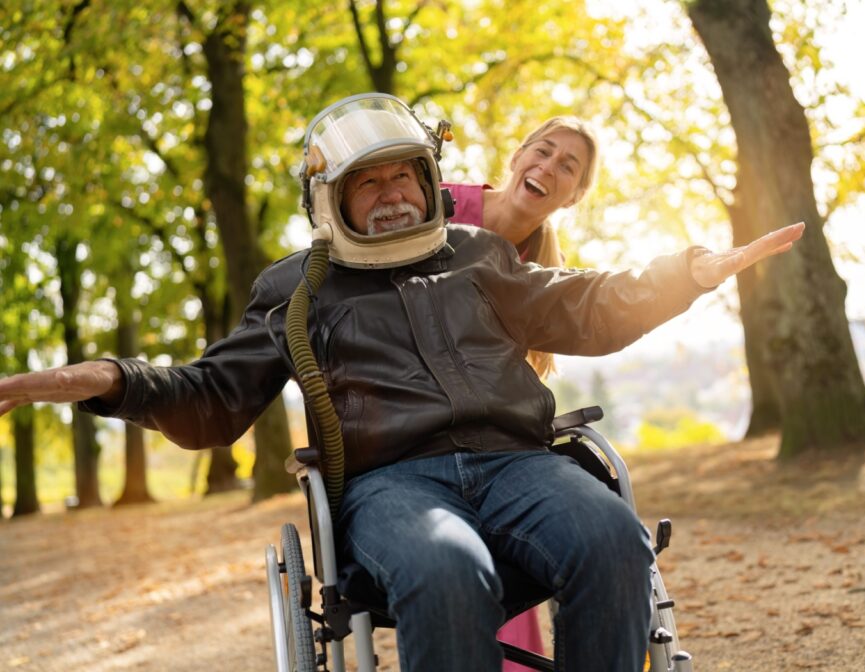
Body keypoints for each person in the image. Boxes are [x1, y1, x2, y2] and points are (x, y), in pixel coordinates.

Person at [0, 93, 804, 672]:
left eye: (404, 179)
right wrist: (106, 378)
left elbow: (586, 303)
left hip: (520, 462)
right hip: (392, 486)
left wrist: (684, 272)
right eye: (368, 183)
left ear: (430, 182)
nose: (392, 196)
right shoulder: (297, 287)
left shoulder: (479, 255)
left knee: (611, 539)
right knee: (446, 568)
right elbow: (211, 395)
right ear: (333, 197)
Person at [442, 116, 599, 665]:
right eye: (542, 151)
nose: (548, 167)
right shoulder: (437, 206)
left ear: (574, 196)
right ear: (517, 157)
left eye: (567, 167)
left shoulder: (542, 269)